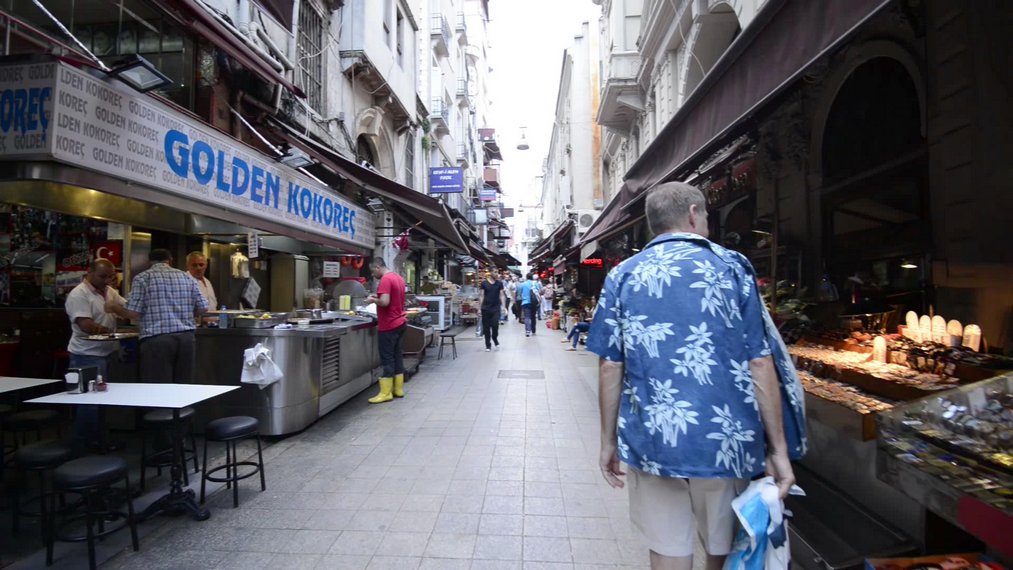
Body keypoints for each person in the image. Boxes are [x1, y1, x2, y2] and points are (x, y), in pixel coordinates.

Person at [588, 182, 807, 570]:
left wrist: (608, 442)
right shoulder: (733, 266)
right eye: (705, 214)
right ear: (693, 214)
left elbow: (610, 365)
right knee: (721, 542)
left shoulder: (623, 275)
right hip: (724, 437)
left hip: (655, 437)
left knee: (668, 546)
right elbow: (760, 361)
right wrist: (778, 449)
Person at [106, 249, 207, 383]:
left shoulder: (143, 278)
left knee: (158, 387)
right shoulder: (187, 277)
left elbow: (132, 313)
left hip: (157, 340)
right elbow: (203, 307)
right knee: (183, 386)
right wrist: (185, 313)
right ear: (170, 261)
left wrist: (113, 307)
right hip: (186, 340)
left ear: (149, 262)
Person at [65, 258, 124, 445]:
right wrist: (111, 332)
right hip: (86, 355)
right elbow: (85, 325)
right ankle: (84, 444)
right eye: (102, 276)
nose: (106, 280)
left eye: (110, 277)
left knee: (103, 401)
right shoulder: (78, 294)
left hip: (106, 353)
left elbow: (124, 308)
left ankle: (101, 441)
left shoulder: (109, 291)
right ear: (89, 272)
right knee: (88, 403)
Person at [364, 258, 407, 404]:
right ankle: (398, 389)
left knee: (387, 358)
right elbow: (393, 298)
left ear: (377, 267)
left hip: (389, 324)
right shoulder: (397, 277)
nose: (372, 275)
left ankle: (385, 393)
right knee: (397, 355)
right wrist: (378, 296)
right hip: (400, 322)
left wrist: (372, 300)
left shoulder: (385, 279)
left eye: (372, 271)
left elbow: (385, 302)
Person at [478, 270, 506, 351]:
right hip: (485, 308)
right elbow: (481, 296)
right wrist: (479, 308)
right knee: (486, 327)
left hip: (496, 308)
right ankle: (488, 345)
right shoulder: (484, 283)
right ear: (490, 273)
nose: (496, 274)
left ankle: (494, 337)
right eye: (495, 272)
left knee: (495, 325)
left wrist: (503, 307)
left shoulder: (499, 283)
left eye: (497, 272)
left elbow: (502, 295)